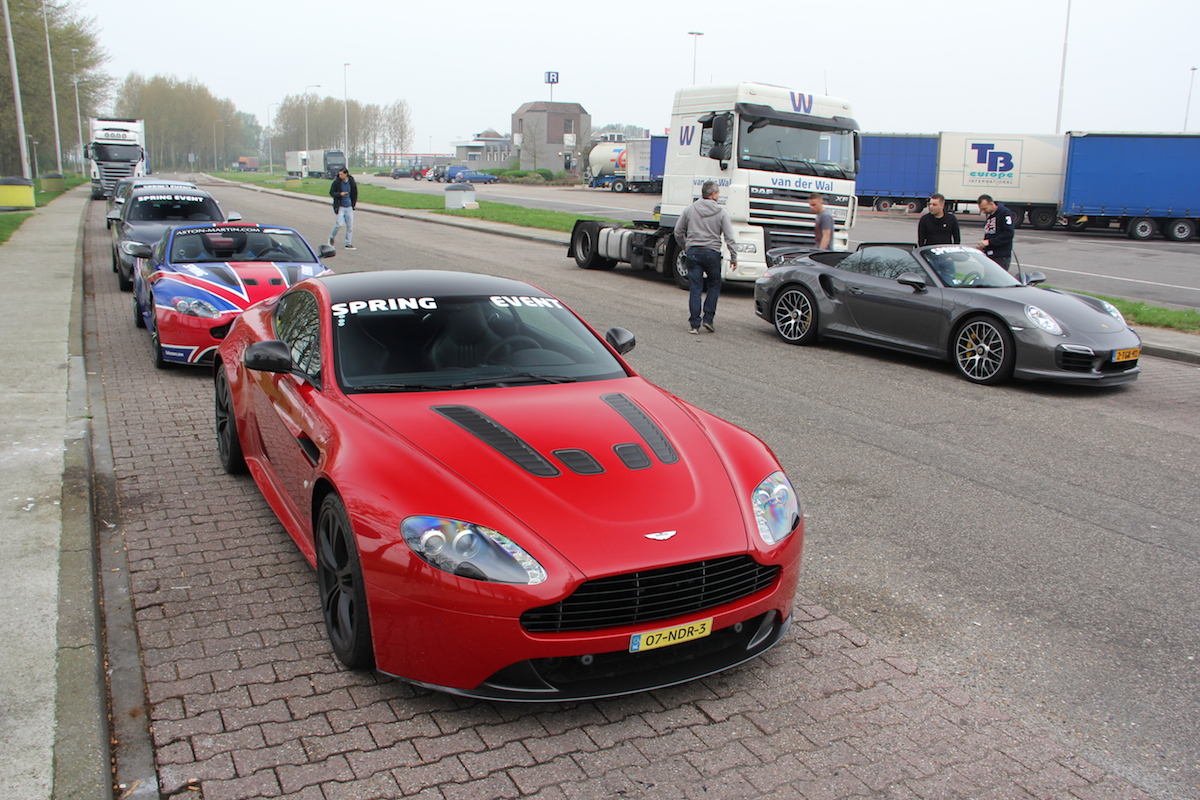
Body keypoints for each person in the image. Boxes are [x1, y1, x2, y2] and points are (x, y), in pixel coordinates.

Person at [675, 181, 738, 334]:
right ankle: (708, 319)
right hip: (712, 253)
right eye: (718, 193)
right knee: (714, 285)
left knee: (695, 288)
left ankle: (694, 324)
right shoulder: (721, 213)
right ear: (713, 194)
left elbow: (678, 231)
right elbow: (729, 236)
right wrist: (734, 257)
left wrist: (686, 246)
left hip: (694, 252)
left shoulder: (690, 209)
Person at [976, 194, 1015, 271]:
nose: (983, 212)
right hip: (989, 255)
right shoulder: (989, 215)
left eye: (984, 209)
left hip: (1001, 256)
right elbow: (990, 232)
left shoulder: (1005, 213)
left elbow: (1008, 234)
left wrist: (989, 242)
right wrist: (984, 247)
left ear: (991, 204)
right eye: (981, 210)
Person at [328, 168, 358, 250]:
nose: (340, 176)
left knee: (350, 226)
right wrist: (340, 194)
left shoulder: (351, 181)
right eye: (339, 174)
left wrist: (353, 204)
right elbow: (332, 193)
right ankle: (331, 237)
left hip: (349, 206)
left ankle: (348, 243)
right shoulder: (337, 182)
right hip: (340, 206)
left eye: (341, 174)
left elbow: (355, 193)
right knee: (339, 224)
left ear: (346, 174)